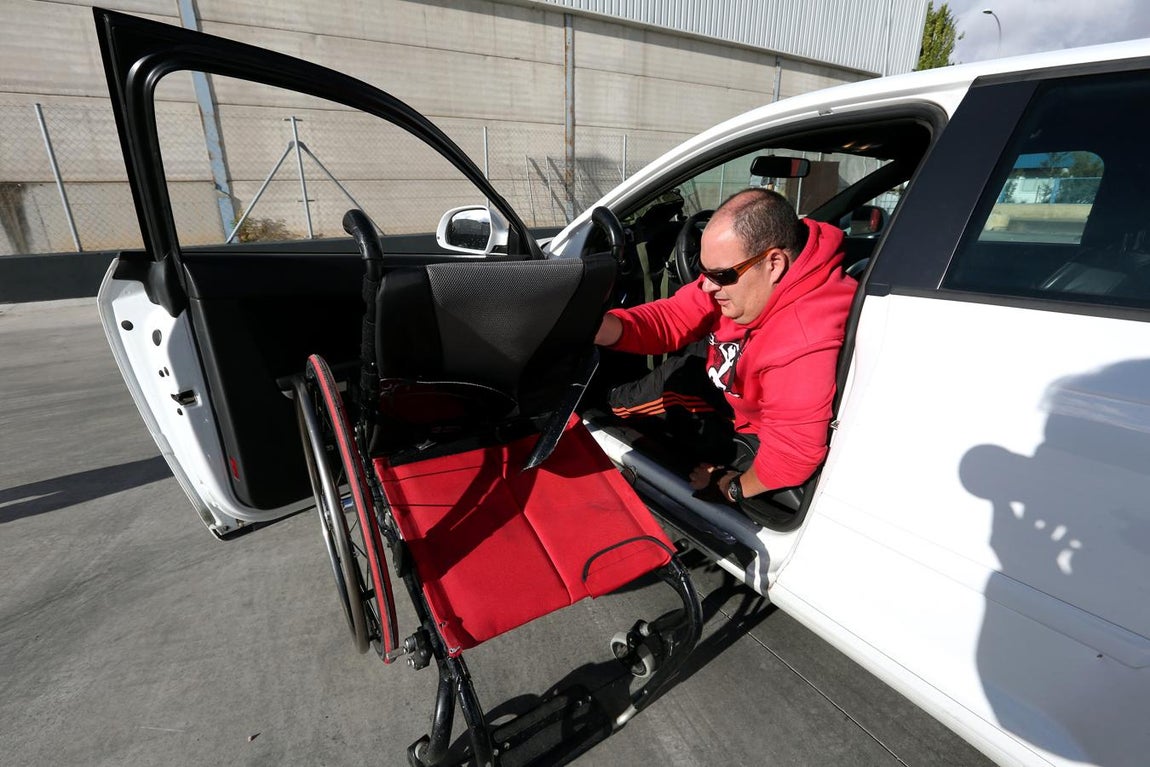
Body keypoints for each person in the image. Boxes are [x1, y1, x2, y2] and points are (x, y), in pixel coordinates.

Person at [594, 187, 856, 505]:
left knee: (612, 409)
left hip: (750, 428)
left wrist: (730, 486)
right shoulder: (744, 277)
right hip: (731, 380)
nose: (705, 285)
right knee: (682, 367)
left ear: (774, 264)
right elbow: (674, 316)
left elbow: (792, 458)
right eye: (703, 272)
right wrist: (595, 327)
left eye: (718, 275)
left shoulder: (802, 341)